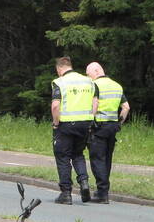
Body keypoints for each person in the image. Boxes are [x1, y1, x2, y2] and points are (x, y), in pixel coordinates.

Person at [50, 56, 96, 204]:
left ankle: (66, 193)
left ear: (59, 68)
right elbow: (95, 103)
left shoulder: (59, 82)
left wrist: (56, 123)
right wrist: (90, 120)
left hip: (66, 125)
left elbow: (55, 106)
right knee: (78, 154)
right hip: (85, 124)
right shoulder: (88, 81)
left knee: (63, 157)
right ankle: (84, 182)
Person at [85, 62, 130, 204]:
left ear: (97, 71)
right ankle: (103, 191)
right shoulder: (117, 86)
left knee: (97, 159)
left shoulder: (94, 85)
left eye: (88, 74)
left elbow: (95, 104)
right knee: (106, 160)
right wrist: (119, 123)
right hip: (112, 127)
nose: (88, 77)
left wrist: (90, 122)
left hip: (98, 127)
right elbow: (126, 107)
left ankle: (102, 193)